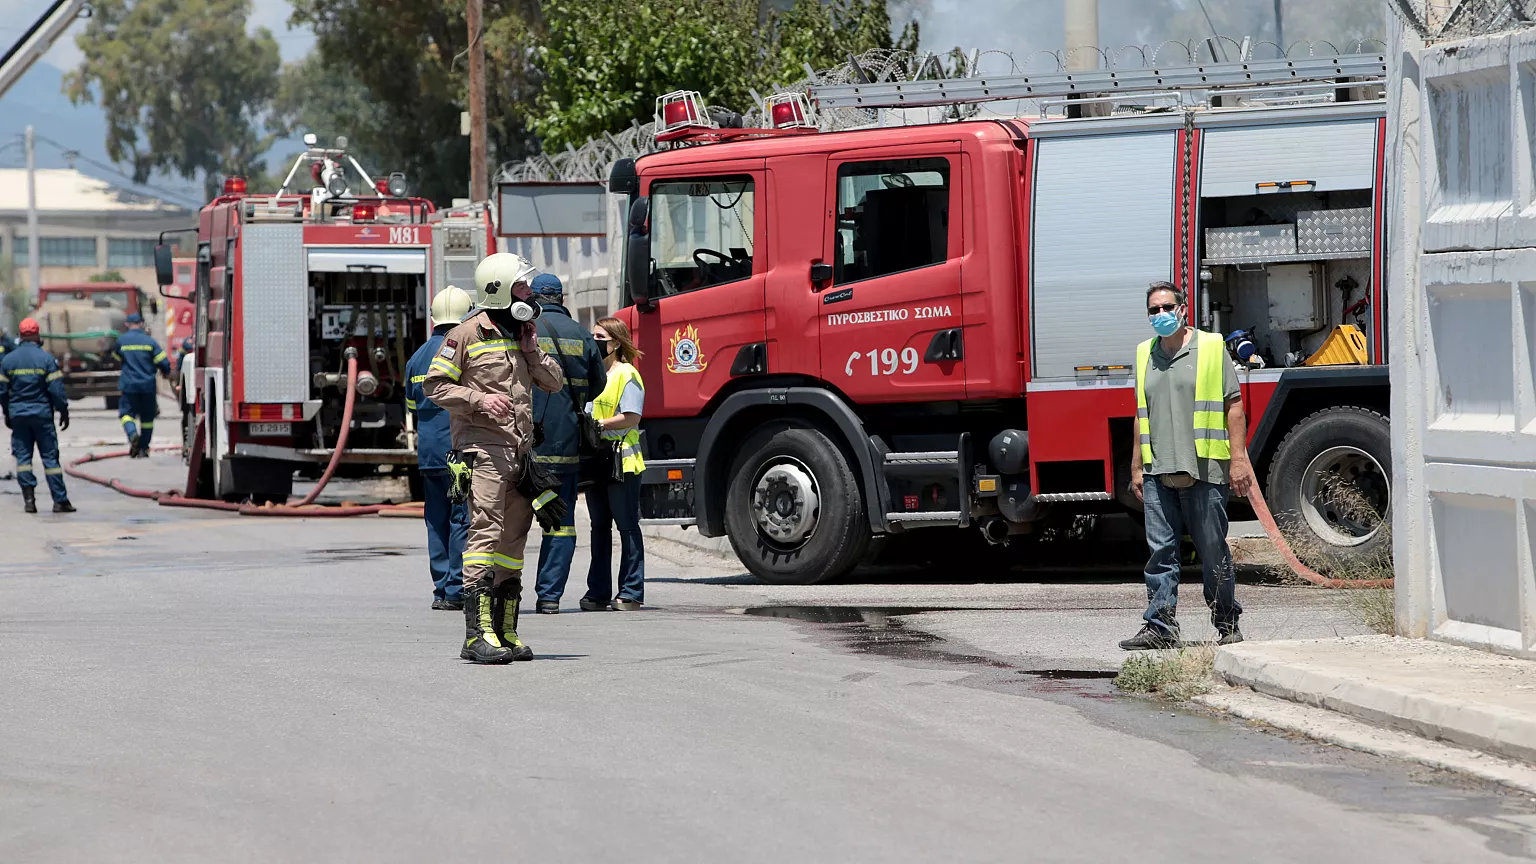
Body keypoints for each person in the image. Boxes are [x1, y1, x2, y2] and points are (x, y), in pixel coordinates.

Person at [424, 253, 564, 664]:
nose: (530, 293)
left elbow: (553, 382)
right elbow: (435, 385)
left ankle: (505, 629)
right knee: (485, 533)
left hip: (520, 454)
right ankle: (476, 635)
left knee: (513, 542)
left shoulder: (524, 333)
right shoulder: (465, 334)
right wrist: (479, 399)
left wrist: (532, 350)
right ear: (500, 289)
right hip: (483, 451)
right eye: (522, 287)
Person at [1122, 281, 1252, 650]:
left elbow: (1234, 407)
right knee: (1160, 553)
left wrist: (1238, 460)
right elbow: (1139, 413)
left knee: (1212, 552)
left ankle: (1227, 622)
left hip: (1205, 471)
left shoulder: (1211, 348)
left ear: (1183, 309)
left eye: (1167, 307)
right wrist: (1136, 467)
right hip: (1157, 471)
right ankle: (1160, 626)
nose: (1161, 314)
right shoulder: (1144, 353)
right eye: (1153, 310)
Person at [529, 273, 608, 614]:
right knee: (560, 525)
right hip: (565, 445)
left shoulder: (523, 330)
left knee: (510, 521)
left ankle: (500, 592)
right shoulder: (581, 334)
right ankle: (549, 596)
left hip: (524, 445)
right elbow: (598, 385)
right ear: (562, 298)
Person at [407, 285, 474, 612]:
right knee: (461, 517)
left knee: (435, 520)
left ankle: (440, 587)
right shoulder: (465, 350)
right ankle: (455, 588)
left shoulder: (417, 357)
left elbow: (412, 407)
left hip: (429, 455)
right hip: (458, 452)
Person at [580, 316, 646, 612]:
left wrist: (598, 424)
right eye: (592, 337)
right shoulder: (591, 375)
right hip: (596, 459)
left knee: (627, 527)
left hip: (623, 460)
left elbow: (632, 416)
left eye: (600, 338)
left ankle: (631, 591)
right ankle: (598, 592)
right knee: (599, 528)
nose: (594, 343)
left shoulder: (627, 374)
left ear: (616, 343)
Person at [0, 318, 74, 513]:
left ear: (20, 334)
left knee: (23, 459)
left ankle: (29, 501)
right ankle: (60, 501)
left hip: (19, 416)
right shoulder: (46, 359)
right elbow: (56, 391)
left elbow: (2, 391)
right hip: (42, 415)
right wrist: (63, 411)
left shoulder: (8, 360)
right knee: (50, 460)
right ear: (37, 335)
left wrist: (7, 412)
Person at [111, 313, 171, 458]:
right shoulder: (149, 342)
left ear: (127, 325)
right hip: (147, 386)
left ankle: (132, 436)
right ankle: (144, 448)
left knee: (126, 414)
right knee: (147, 419)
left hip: (129, 385)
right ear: (142, 324)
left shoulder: (121, 341)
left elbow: (115, 357)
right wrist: (166, 372)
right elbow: (163, 362)